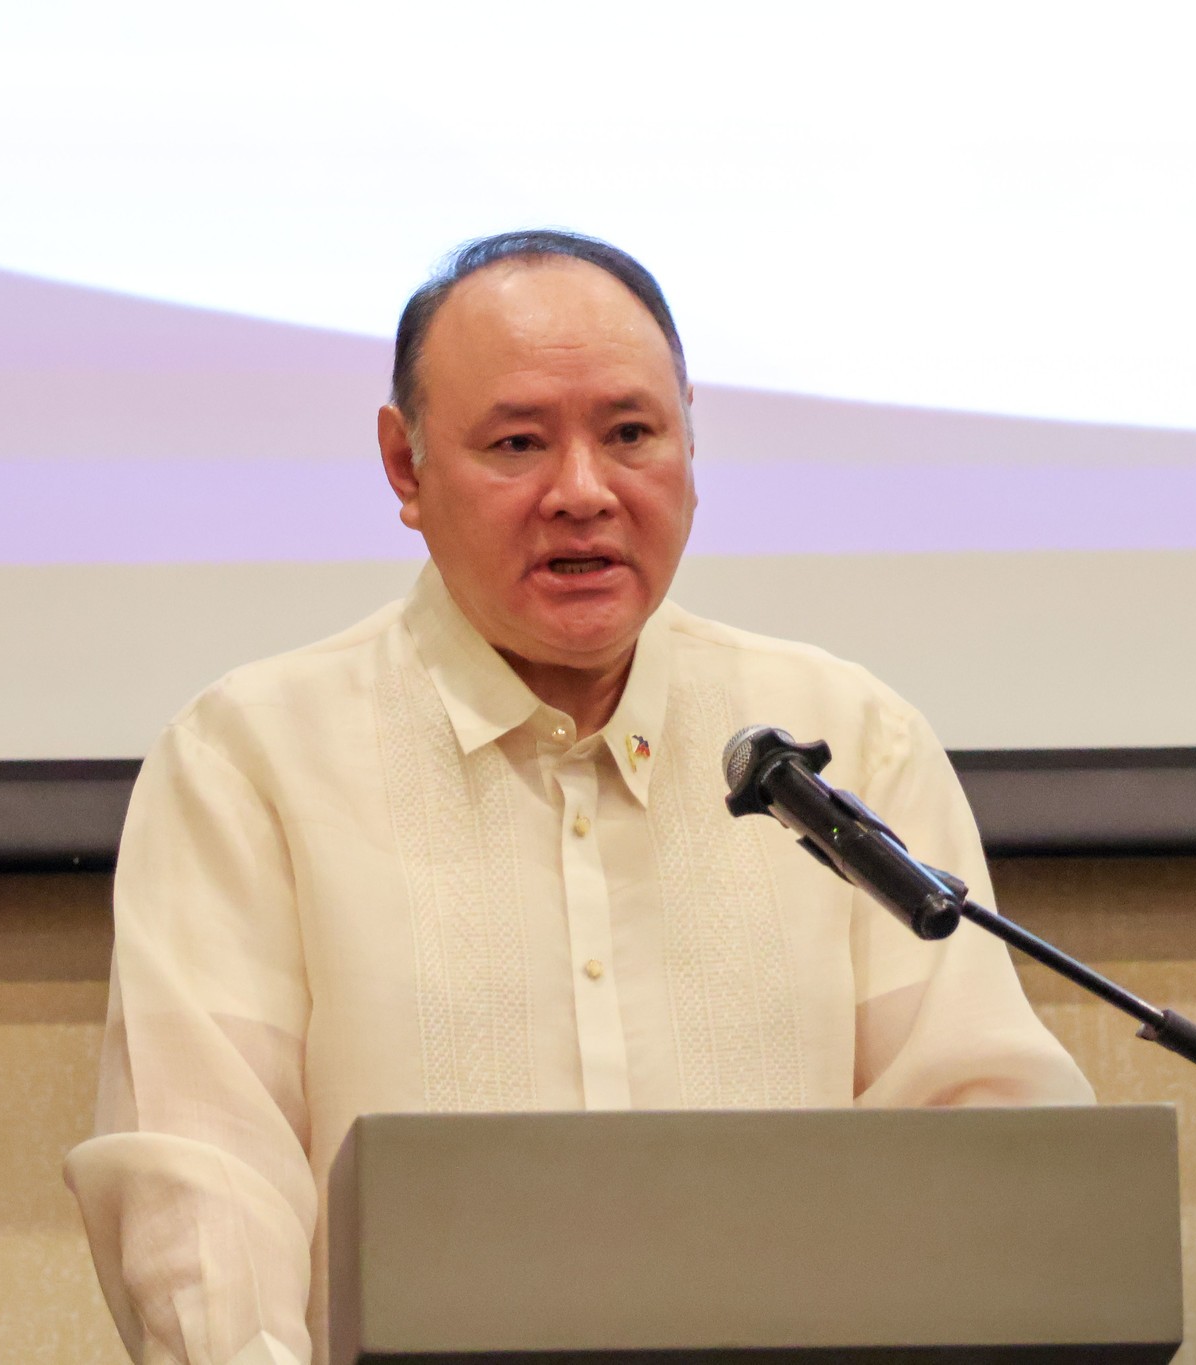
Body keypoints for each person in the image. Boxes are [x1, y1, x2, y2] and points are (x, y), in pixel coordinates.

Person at [64, 231, 1094, 1365]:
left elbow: (984, 1137)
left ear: (691, 441)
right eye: (517, 443)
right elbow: (204, 1184)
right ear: (404, 467)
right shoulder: (250, 760)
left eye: (631, 434)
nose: (583, 492)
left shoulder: (844, 744)